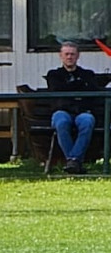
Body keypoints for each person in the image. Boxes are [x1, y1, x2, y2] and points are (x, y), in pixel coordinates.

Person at [45, 41, 102, 174]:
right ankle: (75, 161)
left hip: (82, 111)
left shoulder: (88, 74)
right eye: (66, 54)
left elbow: (92, 90)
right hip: (62, 110)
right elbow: (56, 89)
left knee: (87, 121)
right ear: (61, 56)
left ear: (78, 56)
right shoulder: (54, 74)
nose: (69, 57)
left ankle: (72, 160)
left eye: (72, 54)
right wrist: (80, 85)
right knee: (61, 122)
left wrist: (69, 88)